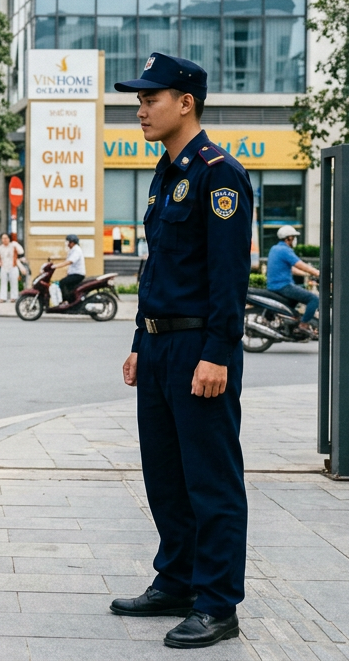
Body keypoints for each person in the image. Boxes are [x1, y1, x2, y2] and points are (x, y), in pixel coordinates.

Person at [114, 53, 253, 649]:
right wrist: (139, 341)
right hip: (160, 346)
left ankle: (218, 603)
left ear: (186, 103)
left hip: (200, 346)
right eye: (140, 101)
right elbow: (158, 269)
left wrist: (219, 352)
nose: (141, 110)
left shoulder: (219, 175)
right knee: (166, 476)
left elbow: (228, 275)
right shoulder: (167, 172)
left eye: (151, 100)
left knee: (210, 479)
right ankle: (176, 580)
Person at [266, 225, 320, 332]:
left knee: (295, 301)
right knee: (314, 299)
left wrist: (306, 275)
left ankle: (290, 324)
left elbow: (291, 269)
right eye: (294, 237)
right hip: (283, 286)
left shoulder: (275, 249)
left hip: (273, 286)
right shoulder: (285, 250)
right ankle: (303, 324)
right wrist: (317, 273)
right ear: (289, 238)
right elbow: (300, 264)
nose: (295, 240)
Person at [0, 232, 25, 301]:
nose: (4, 240)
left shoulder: (13, 245)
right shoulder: (0, 248)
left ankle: (14, 297)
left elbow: (21, 251)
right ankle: (2, 298)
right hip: (4, 267)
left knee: (14, 283)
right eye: (3, 238)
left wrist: (16, 245)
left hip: (13, 267)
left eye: (6, 238)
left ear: (9, 238)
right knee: (3, 283)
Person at [57, 233, 86, 303]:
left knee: (62, 283)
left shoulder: (77, 250)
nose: (68, 244)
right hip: (74, 274)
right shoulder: (73, 250)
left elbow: (70, 261)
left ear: (72, 242)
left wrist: (56, 266)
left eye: (69, 242)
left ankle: (65, 301)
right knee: (70, 288)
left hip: (77, 274)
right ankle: (72, 302)